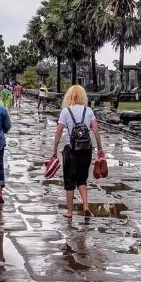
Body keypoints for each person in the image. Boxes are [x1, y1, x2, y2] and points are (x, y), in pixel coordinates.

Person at [51, 85, 105, 218]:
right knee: (82, 178)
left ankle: (69, 211)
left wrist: (54, 150)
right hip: (86, 149)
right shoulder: (88, 111)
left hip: (71, 149)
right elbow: (96, 130)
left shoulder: (65, 111)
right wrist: (100, 149)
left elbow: (58, 132)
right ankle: (85, 205)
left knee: (69, 181)